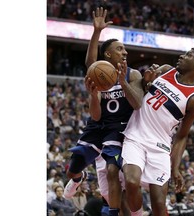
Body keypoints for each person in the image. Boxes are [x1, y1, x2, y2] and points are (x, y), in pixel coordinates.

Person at [63, 7, 153, 216]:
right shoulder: (99, 74)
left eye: (125, 49)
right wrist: (96, 32)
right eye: (120, 49)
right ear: (108, 54)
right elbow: (95, 113)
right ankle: (78, 178)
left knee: (112, 170)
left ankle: (113, 212)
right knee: (72, 169)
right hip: (97, 126)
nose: (125, 52)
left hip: (119, 129)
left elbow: (138, 103)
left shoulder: (133, 74)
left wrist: (122, 82)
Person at [121, 48, 194, 216]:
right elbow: (139, 91)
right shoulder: (165, 70)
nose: (182, 56)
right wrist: (146, 82)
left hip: (160, 147)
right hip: (135, 137)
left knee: (160, 205)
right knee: (131, 182)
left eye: (188, 55)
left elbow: (182, 136)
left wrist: (175, 168)